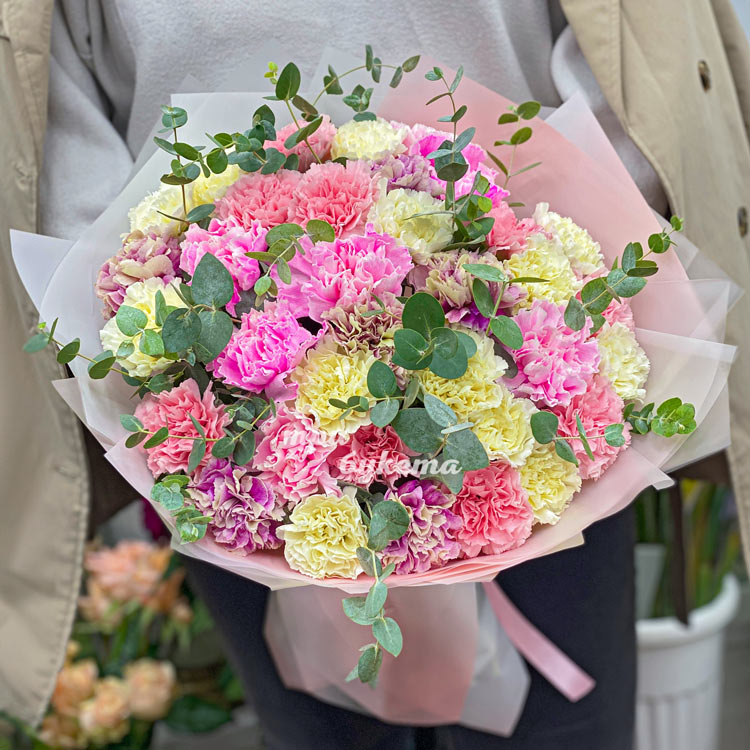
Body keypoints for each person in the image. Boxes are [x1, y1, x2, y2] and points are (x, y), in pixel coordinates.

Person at [1, 1, 748, 746]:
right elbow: (54, 103)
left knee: (561, 731)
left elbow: (632, 47)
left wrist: (573, 230)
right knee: (318, 729)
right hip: (216, 406)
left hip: (530, 338)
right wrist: (127, 315)